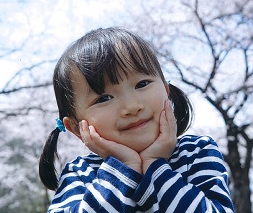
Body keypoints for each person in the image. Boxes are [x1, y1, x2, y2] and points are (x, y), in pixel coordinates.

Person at [39, 27, 235, 213]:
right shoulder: (79, 174)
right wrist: (123, 168)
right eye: (104, 98)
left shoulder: (196, 152)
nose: (132, 107)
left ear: (166, 91)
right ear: (76, 128)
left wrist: (155, 166)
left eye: (142, 84)